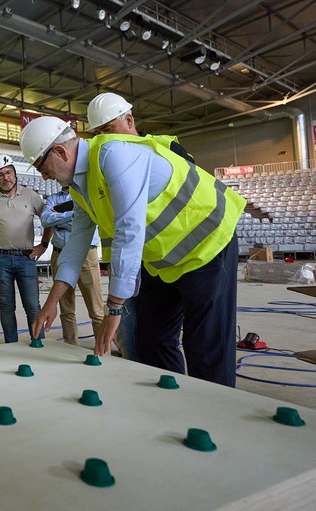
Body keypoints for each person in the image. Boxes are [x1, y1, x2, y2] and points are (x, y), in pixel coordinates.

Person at [21, 116, 246, 387]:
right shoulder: (81, 187)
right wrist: (51, 301)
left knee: (206, 345)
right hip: (166, 262)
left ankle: (218, 416)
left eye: (42, 168)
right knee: (152, 339)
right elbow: (77, 245)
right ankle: (175, 398)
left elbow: (129, 231)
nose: (45, 176)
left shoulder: (114, 155)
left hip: (208, 245)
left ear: (59, 151)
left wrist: (114, 308)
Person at [87, 92, 196, 361]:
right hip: (131, 263)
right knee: (134, 338)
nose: (104, 138)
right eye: (98, 133)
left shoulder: (165, 151)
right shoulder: (104, 162)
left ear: (129, 119)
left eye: (109, 129)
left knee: (164, 339)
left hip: (171, 259)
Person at [0, 154, 51, 343]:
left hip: (26, 259)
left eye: (8, 173)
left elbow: (48, 219)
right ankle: (11, 344)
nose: (5, 177)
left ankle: (38, 342)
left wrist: (43, 245)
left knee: (33, 305)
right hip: (0, 259)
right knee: (6, 306)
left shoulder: (30, 195)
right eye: (0, 175)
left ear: (14, 173)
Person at [40, 186, 104, 346]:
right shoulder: (53, 198)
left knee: (96, 309)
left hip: (86, 254)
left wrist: (60, 216)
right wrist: (75, 216)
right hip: (59, 253)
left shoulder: (87, 194)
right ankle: (70, 346)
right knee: (66, 307)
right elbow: (46, 219)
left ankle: (104, 351)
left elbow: (91, 216)